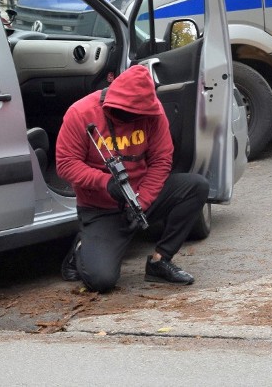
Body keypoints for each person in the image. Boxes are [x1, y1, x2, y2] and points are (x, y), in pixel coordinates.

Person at [55, 65, 209, 291]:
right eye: (124, 114)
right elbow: (66, 164)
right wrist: (106, 183)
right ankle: (82, 246)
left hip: (139, 197)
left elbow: (161, 161)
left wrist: (143, 201)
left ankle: (160, 261)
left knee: (196, 186)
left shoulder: (153, 113)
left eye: (135, 116)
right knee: (101, 281)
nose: (129, 120)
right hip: (101, 208)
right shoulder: (80, 113)